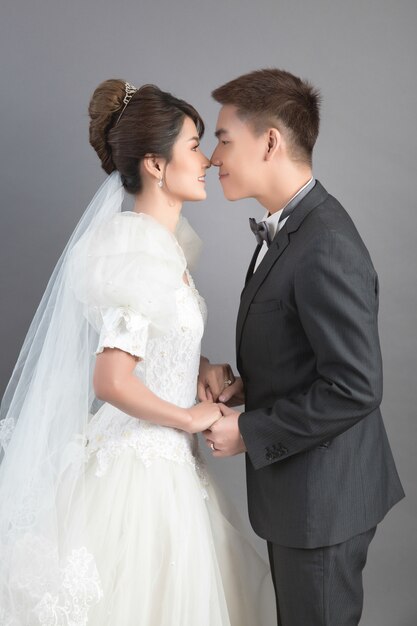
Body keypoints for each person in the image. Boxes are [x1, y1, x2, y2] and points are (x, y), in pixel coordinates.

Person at [0, 79, 275, 625]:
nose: (206, 160)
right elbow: (111, 379)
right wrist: (188, 416)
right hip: (140, 471)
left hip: (168, 462)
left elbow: (148, 340)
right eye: (194, 144)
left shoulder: (162, 246)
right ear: (154, 163)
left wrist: (198, 368)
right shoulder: (137, 249)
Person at [199, 68, 405, 626]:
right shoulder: (293, 226)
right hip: (306, 497)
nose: (213, 157)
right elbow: (306, 348)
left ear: (270, 141)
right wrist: (253, 386)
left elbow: (356, 386)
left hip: (325, 505)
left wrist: (248, 430)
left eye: (222, 139)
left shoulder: (325, 242)